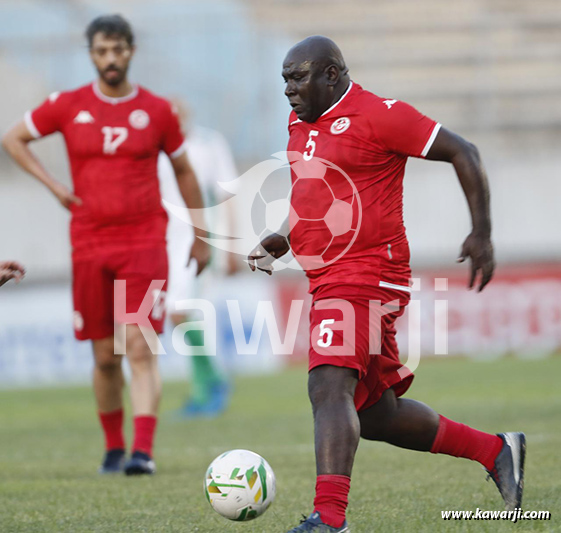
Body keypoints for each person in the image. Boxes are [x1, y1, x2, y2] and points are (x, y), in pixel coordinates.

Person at [248, 36, 524, 532]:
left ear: (332, 75)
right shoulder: (299, 121)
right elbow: (315, 188)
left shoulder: (381, 114)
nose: (289, 90)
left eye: (299, 77)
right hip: (328, 276)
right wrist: (285, 236)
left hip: (368, 273)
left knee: (327, 384)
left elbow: (465, 151)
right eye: (285, 79)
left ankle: (330, 519)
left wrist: (481, 233)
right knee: (374, 413)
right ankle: (497, 450)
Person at [2, 15, 209, 476]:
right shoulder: (67, 105)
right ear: (91, 54)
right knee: (104, 355)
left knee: (138, 344)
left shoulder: (157, 111)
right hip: (90, 243)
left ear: (131, 51)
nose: (111, 59)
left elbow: (185, 172)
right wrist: (54, 186)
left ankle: (143, 452)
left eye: (118, 49)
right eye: (102, 51)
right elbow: (12, 138)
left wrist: (201, 235)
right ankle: (114, 448)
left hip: (143, 242)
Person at [158, 99, 238, 417]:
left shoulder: (208, 143)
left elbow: (226, 195)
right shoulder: (157, 147)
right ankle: (208, 385)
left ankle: (211, 386)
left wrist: (230, 244)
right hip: (167, 243)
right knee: (175, 313)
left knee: (182, 311)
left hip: (201, 241)